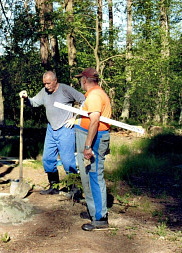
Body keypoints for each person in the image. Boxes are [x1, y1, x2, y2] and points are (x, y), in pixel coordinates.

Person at [19, 71, 85, 195]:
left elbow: (84, 100)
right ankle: (54, 187)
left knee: (67, 161)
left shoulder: (65, 90)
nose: (46, 86)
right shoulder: (44, 92)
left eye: (48, 83)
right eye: (44, 83)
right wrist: (26, 98)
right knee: (48, 159)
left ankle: (75, 189)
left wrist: (76, 118)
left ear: (55, 81)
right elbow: (34, 102)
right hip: (51, 129)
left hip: (65, 128)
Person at [74, 67, 111, 231]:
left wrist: (88, 146)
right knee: (87, 176)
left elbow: (95, 121)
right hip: (89, 137)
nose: (80, 82)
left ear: (84, 80)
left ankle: (100, 218)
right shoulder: (93, 94)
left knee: (95, 176)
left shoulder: (95, 96)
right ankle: (93, 210)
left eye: (80, 79)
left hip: (94, 140)